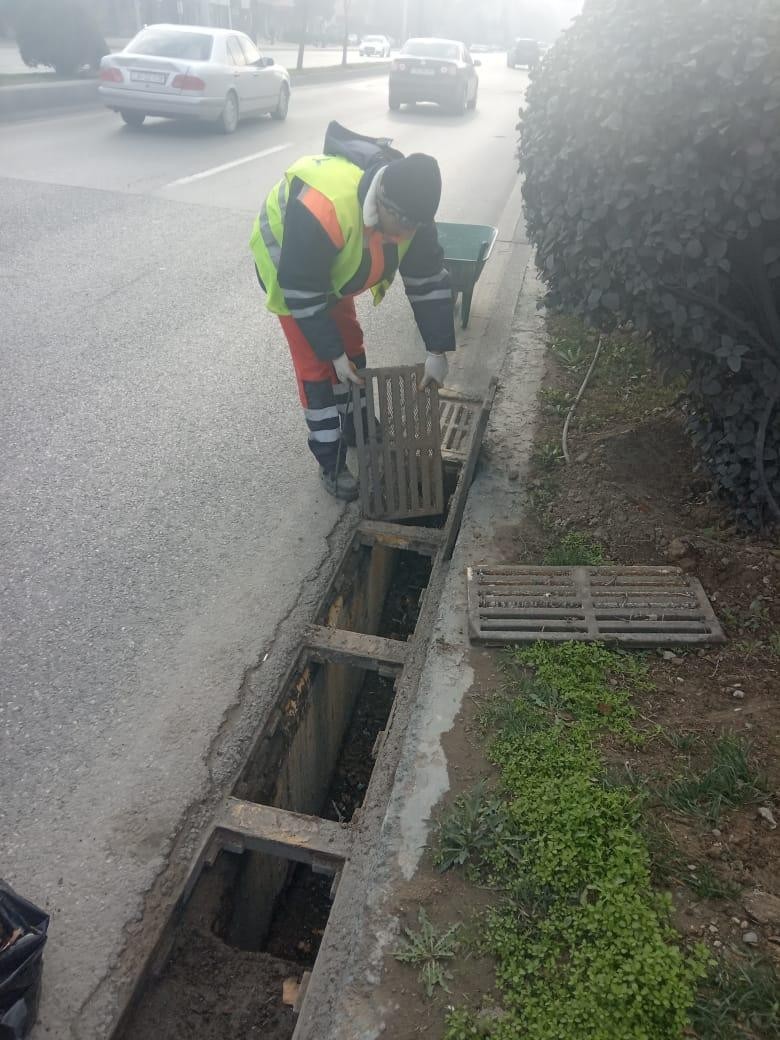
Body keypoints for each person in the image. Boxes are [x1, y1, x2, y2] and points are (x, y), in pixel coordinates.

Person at [250, 121, 456, 502]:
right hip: (289, 269)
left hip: (329, 272)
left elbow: (428, 283)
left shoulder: (413, 217)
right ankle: (330, 463)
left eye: (414, 228)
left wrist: (436, 350)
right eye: (402, 226)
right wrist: (332, 354)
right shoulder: (324, 207)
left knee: (353, 347)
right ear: (383, 202)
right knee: (318, 368)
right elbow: (304, 291)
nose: (404, 237)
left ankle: (358, 425)